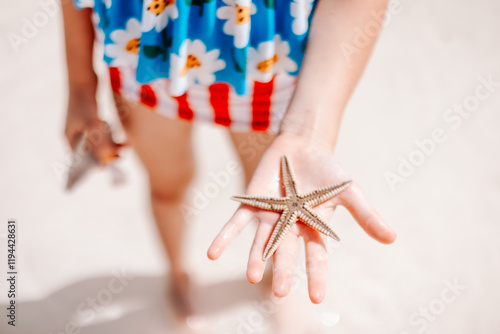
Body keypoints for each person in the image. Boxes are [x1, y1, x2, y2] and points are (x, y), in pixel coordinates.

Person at [62, 0, 397, 320]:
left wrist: (309, 133)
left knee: (271, 202)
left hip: (268, 64)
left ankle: (270, 286)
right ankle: (178, 275)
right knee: (167, 187)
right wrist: (80, 86)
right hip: (145, 54)